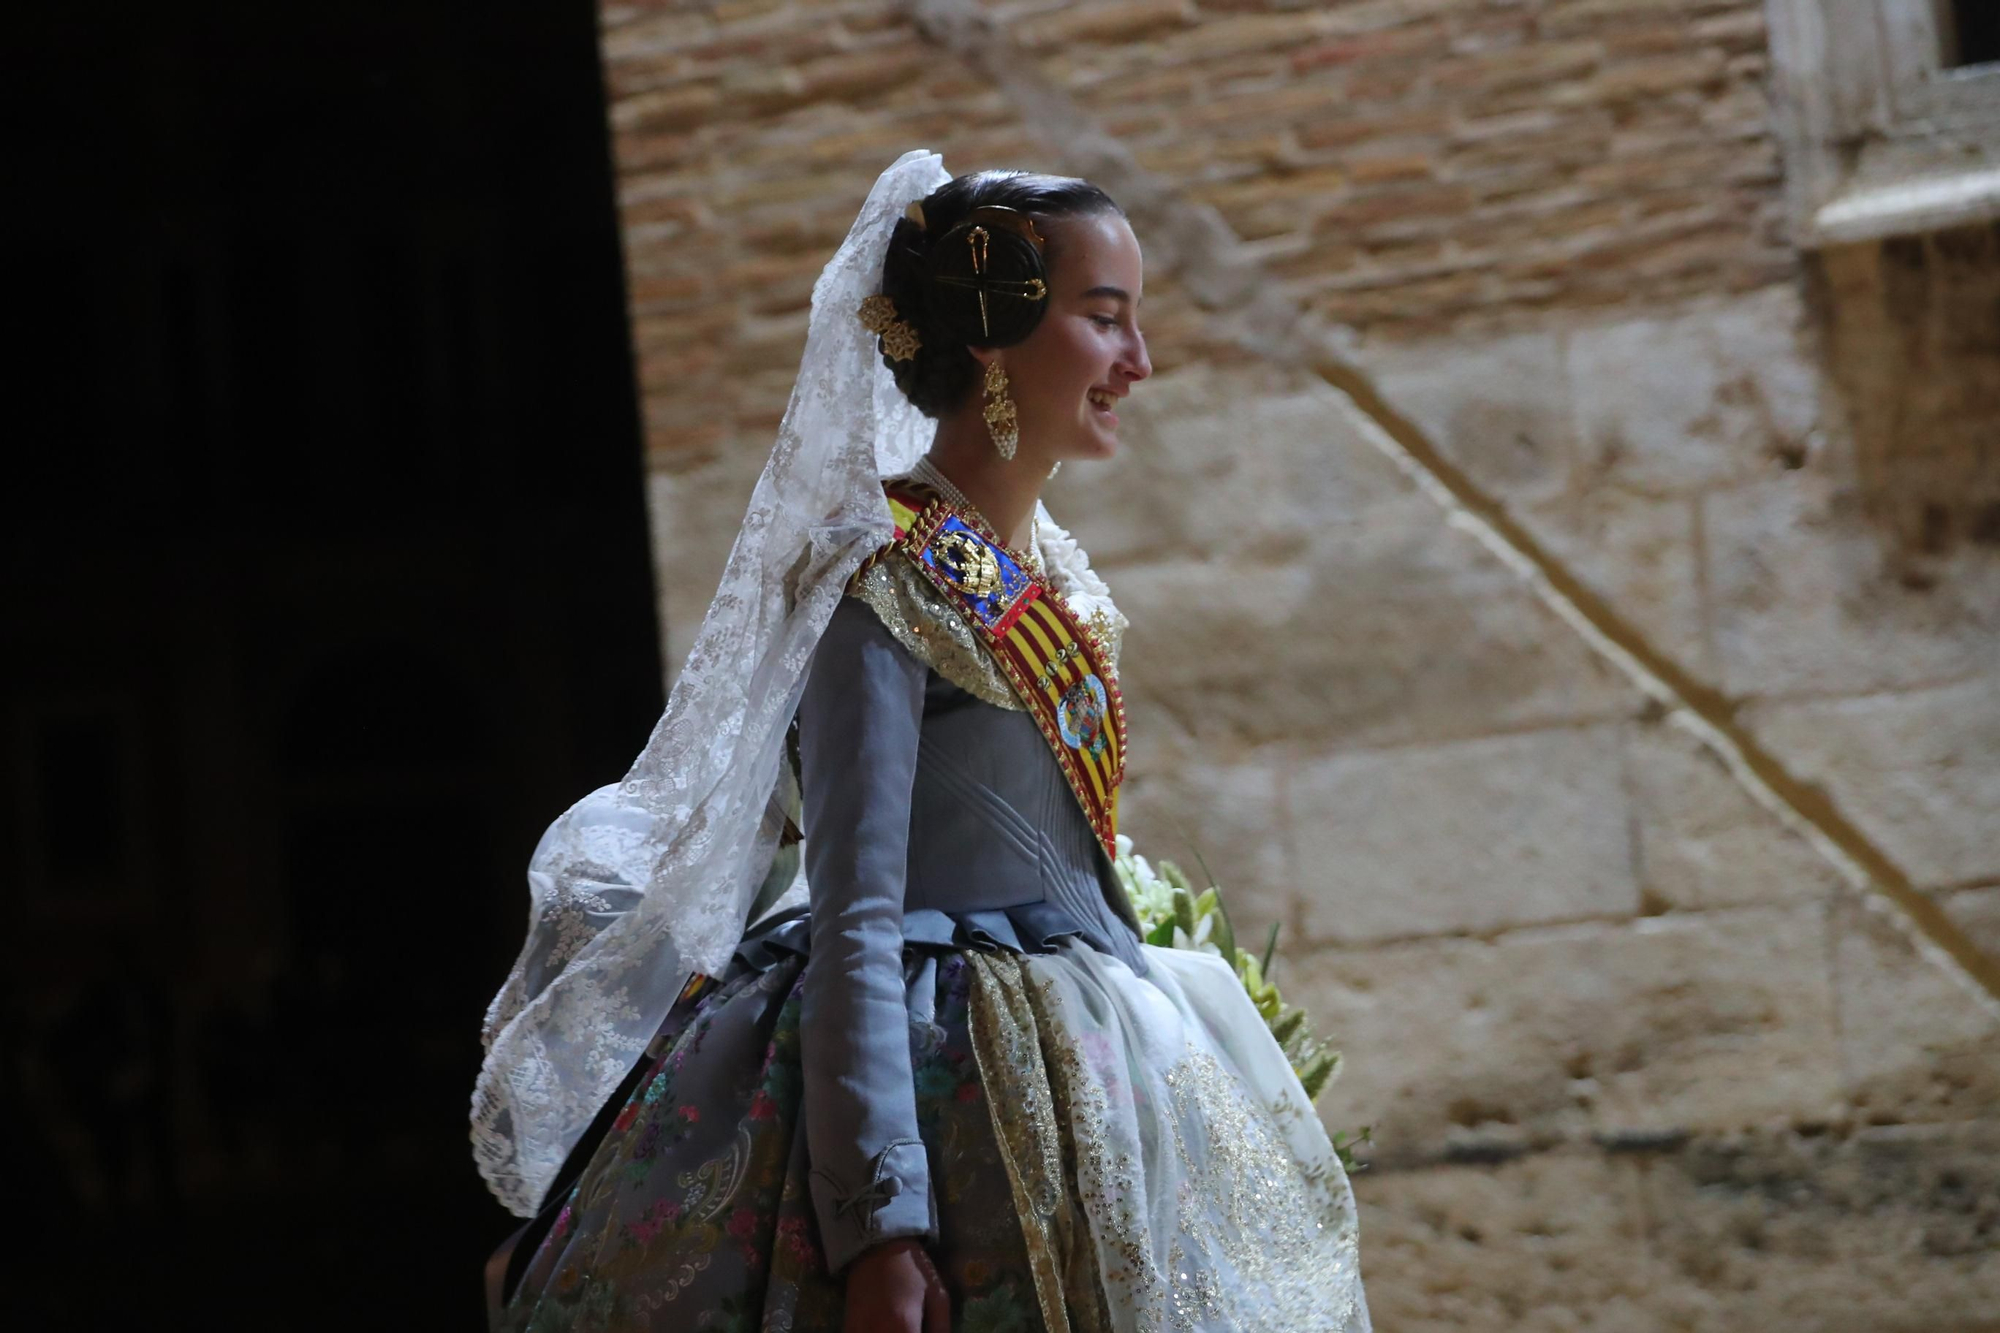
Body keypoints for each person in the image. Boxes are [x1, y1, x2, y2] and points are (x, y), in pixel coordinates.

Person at [475, 150, 1370, 1332]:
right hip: (942, 1090)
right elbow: (856, 910)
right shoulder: (876, 572)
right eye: (1104, 322)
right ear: (995, 341)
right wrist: (877, 1229)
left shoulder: (1053, 572)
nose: (1138, 362)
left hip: (1089, 1073)